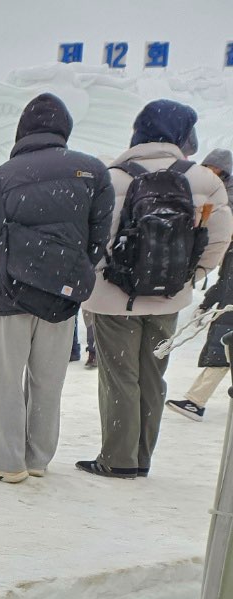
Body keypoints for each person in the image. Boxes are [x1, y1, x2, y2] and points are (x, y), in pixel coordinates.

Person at [0, 93, 115, 483]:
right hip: (60, 295)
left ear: (22, 131)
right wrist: (71, 275)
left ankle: (6, 462)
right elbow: (98, 239)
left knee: (3, 381)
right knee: (48, 381)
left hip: (7, 293)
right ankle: (36, 459)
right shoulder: (93, 173)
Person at [78, 100, 231, 477]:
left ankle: (118, 459)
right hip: (167, 298)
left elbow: (91, 238)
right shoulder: (204, 180)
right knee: (152, 376)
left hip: (113, 299)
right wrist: (187, 277)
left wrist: (102, 276)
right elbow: (218, 240)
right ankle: (142, 456)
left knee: (120, 377)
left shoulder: (111, 177)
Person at [167, 148, 233, 421]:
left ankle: (196, 401)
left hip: (229, 302)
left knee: (224, 346)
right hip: (227, 294)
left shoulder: (224, 196)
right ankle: (195, 401)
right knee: (225, 347)